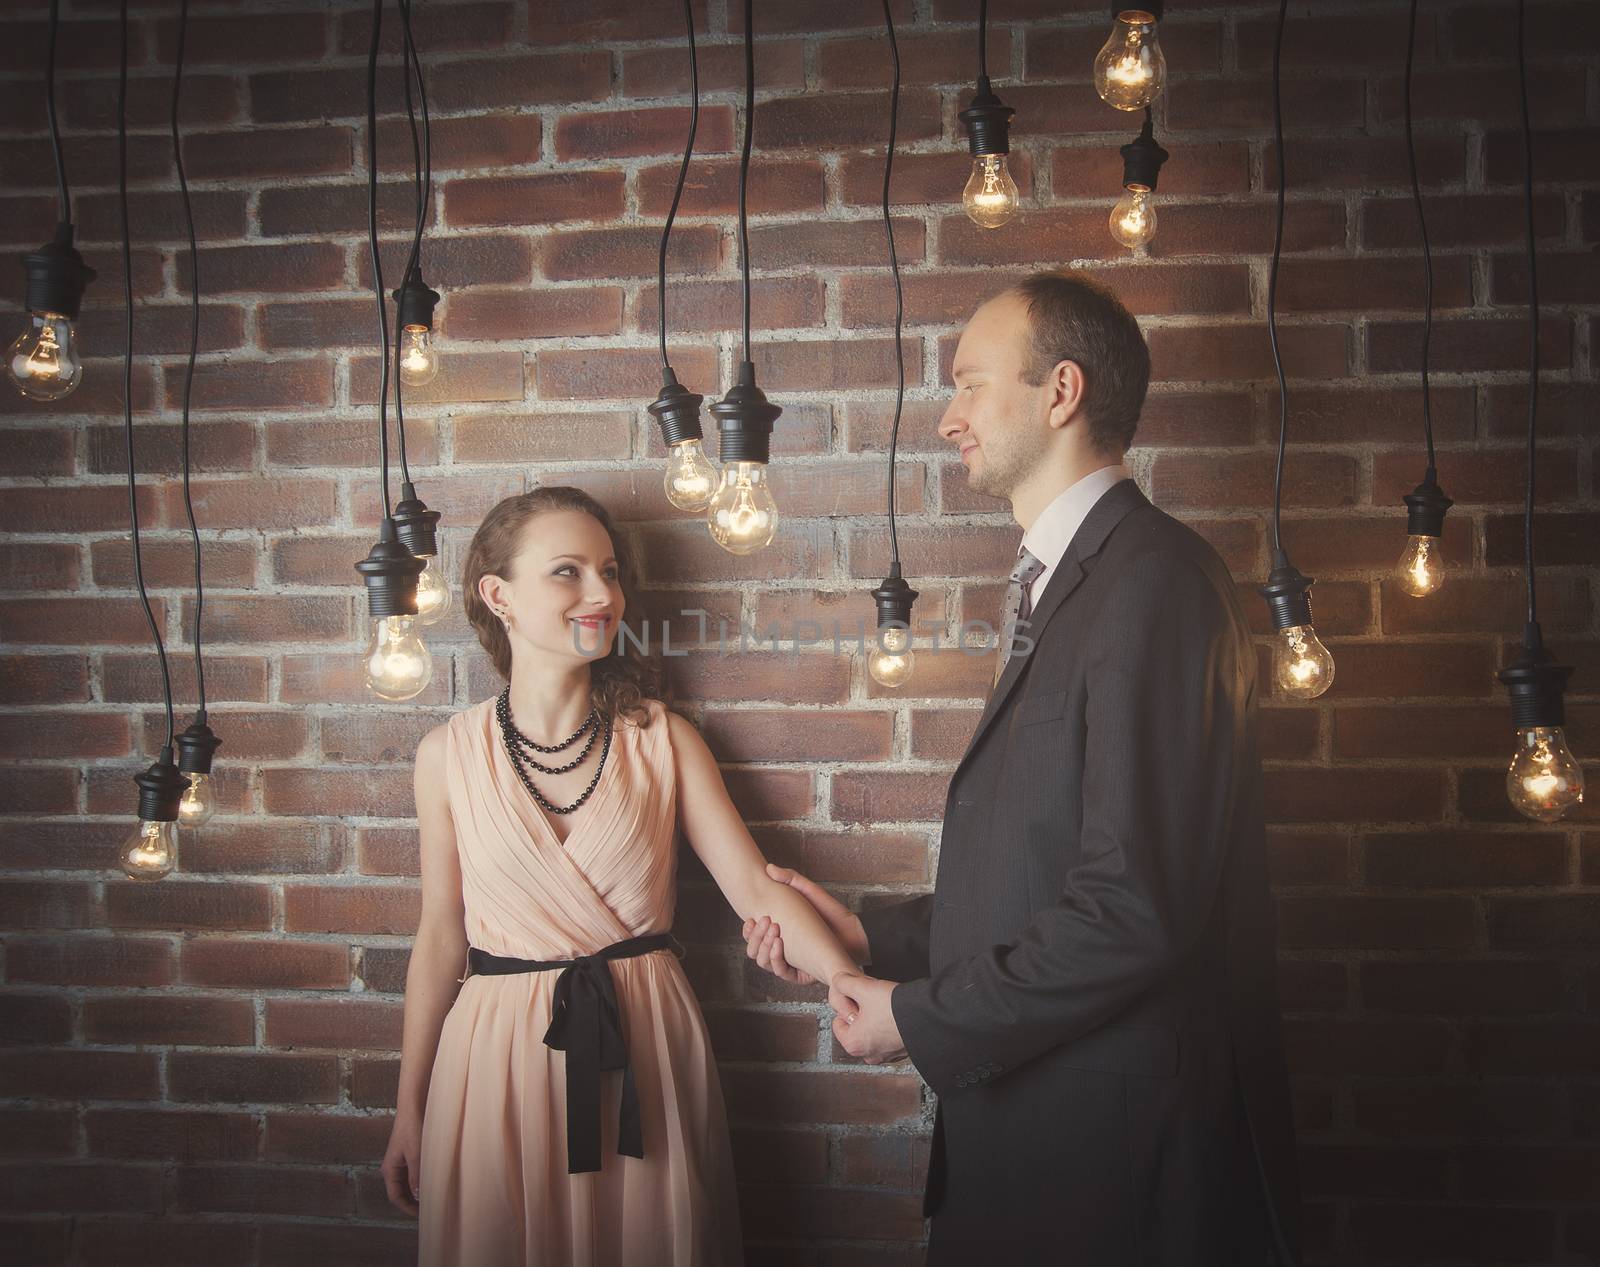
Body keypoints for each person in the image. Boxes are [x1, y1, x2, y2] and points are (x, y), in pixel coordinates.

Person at [743, 273, 1303, 1265]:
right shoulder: (1076, 579)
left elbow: (1132, 908)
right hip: (1040, 1144)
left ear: (1060, 392)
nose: (949, 418)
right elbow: (1047, 869)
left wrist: (915, 1020)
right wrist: (869, 932)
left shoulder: (1155, 583)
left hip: (1112, 1175)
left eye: (969, 383)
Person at [381, 486, 859, 1267]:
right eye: (567, 571)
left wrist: (849, 979)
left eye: (608, 570)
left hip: (646, 1043)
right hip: (497, 1060)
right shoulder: (444, 755)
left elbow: (760, 889)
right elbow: (440, 935)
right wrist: (409, 1109)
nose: (603, 594)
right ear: (497, 594)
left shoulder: (662, 739)